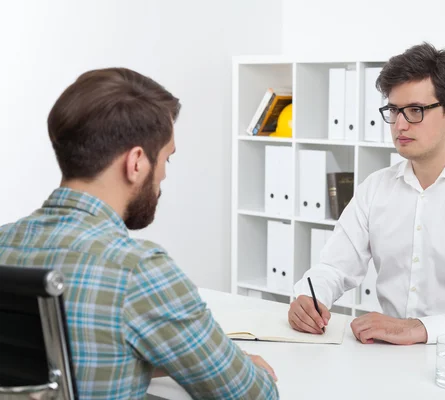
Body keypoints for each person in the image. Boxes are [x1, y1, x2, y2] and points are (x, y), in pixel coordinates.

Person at [0, 68, 279, 399]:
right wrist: (248, 369)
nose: (163, 175)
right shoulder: (139, 271)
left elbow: (64, 361)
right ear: (136, 163)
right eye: (166, 159)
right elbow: (250, 395)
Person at [288, 43, 445, 346]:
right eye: (394, 110)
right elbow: (333, 267)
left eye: (415, 111)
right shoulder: (376, 188)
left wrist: (422, 329)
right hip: (388, 358)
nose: (400, 125)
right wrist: (308, 295)